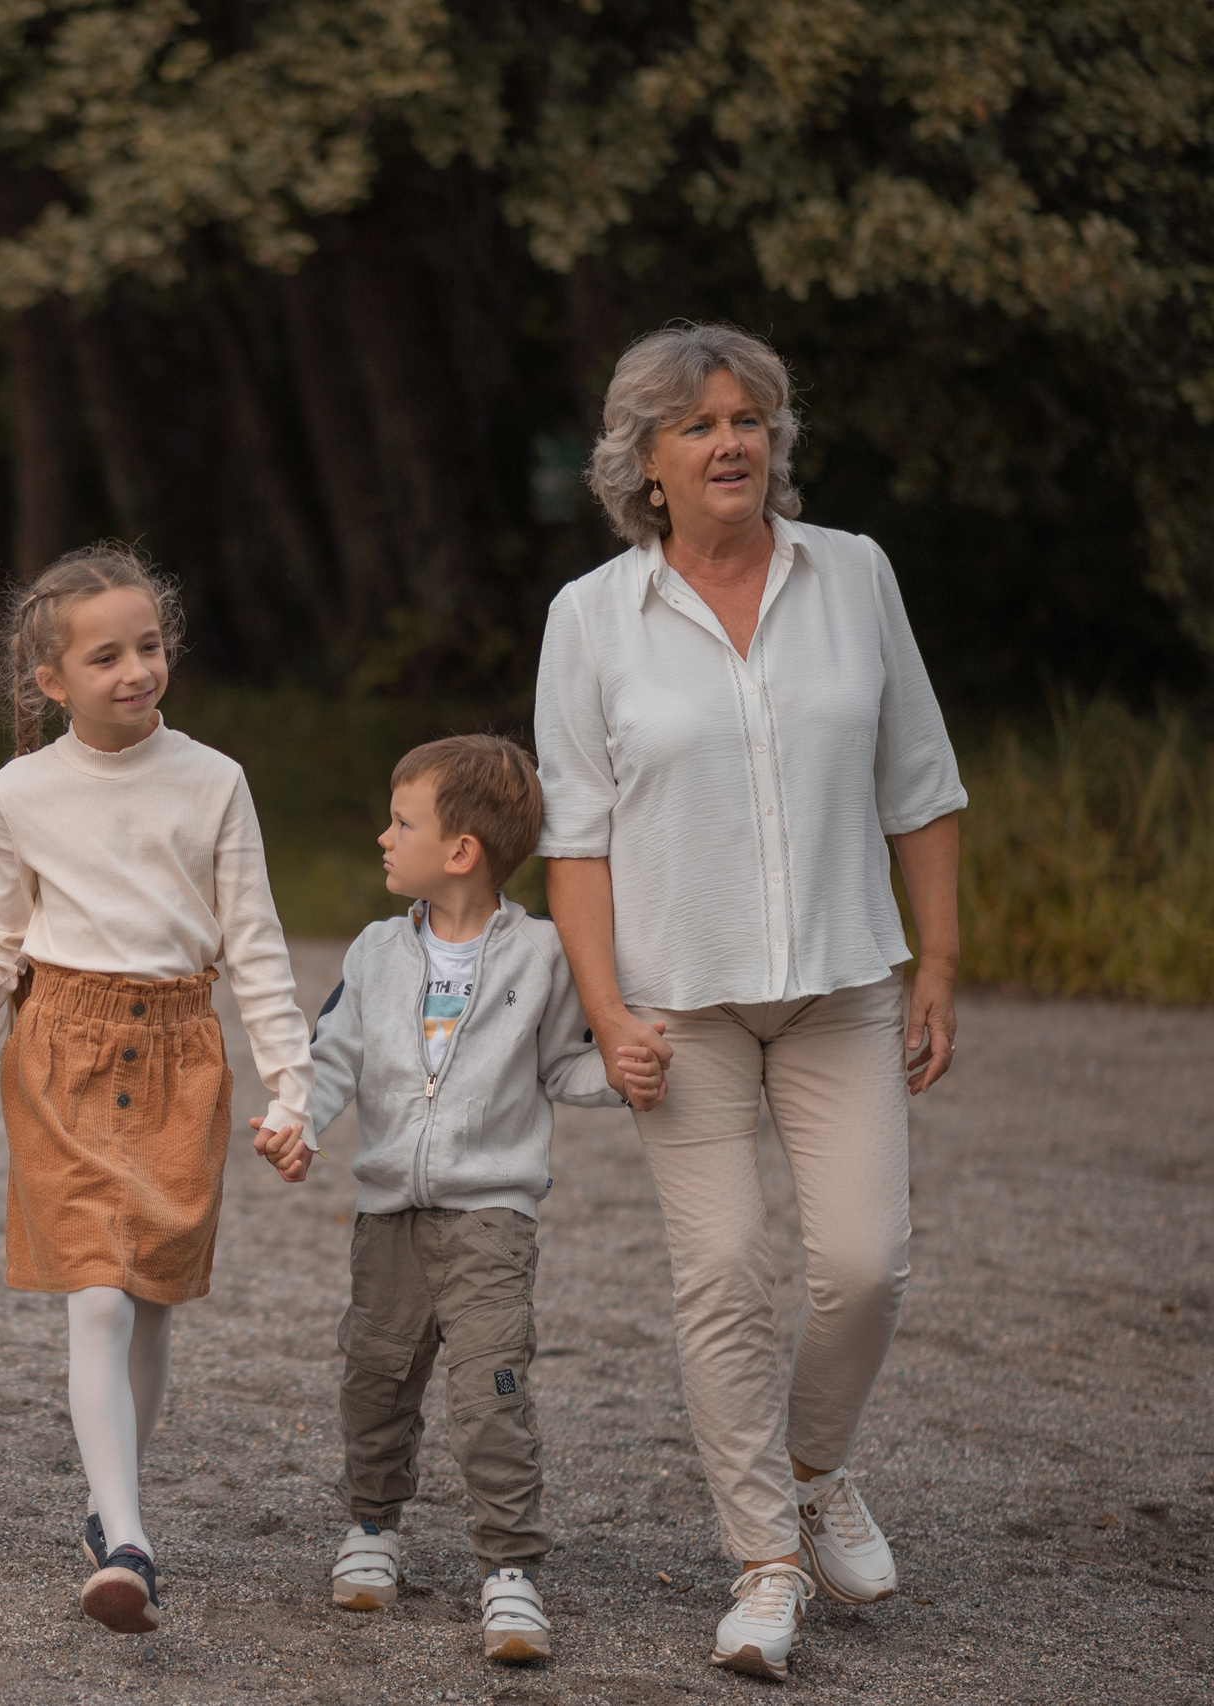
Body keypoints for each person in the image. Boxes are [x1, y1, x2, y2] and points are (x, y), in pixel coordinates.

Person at [535, 323, 966, 1680]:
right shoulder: (590, 616)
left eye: (748, 418)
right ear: (645, 462)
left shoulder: (855, 574)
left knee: (865, 1265)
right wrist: (608, 1013)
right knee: (722, 1273)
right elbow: (576, 843)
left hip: (843, 983)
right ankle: (766, 1562)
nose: (732, 442)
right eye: (700, 425)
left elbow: (921, 781)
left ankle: (815, 1465)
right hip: (681, 1010)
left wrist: (937, 963)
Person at [0, 543, 313, 1635]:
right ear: (51, 681)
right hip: (62, 1051)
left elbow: (256, 946)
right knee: (98, 1292)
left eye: (148, 646)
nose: (136, 670)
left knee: (148, 1297)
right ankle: (131, 1540)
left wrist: (291, 1088)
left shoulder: (214, 780)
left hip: (181, 1054)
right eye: (105, 657)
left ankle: (112, 1512)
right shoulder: (20, 789)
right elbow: (4, 929)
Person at [293, 735, 664, 1665]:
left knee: (492, 1391)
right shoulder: (376, 951)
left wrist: (622, 1075)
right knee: (375, 1377)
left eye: (402, 822)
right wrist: (296, 1121)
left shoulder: (542, 955)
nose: (384, 838)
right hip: (387, 1212)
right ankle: (372, 1526)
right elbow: (331, 1055)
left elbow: (564, 1064)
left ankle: (511, 1570)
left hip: (493, 1216)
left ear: (461, 850)